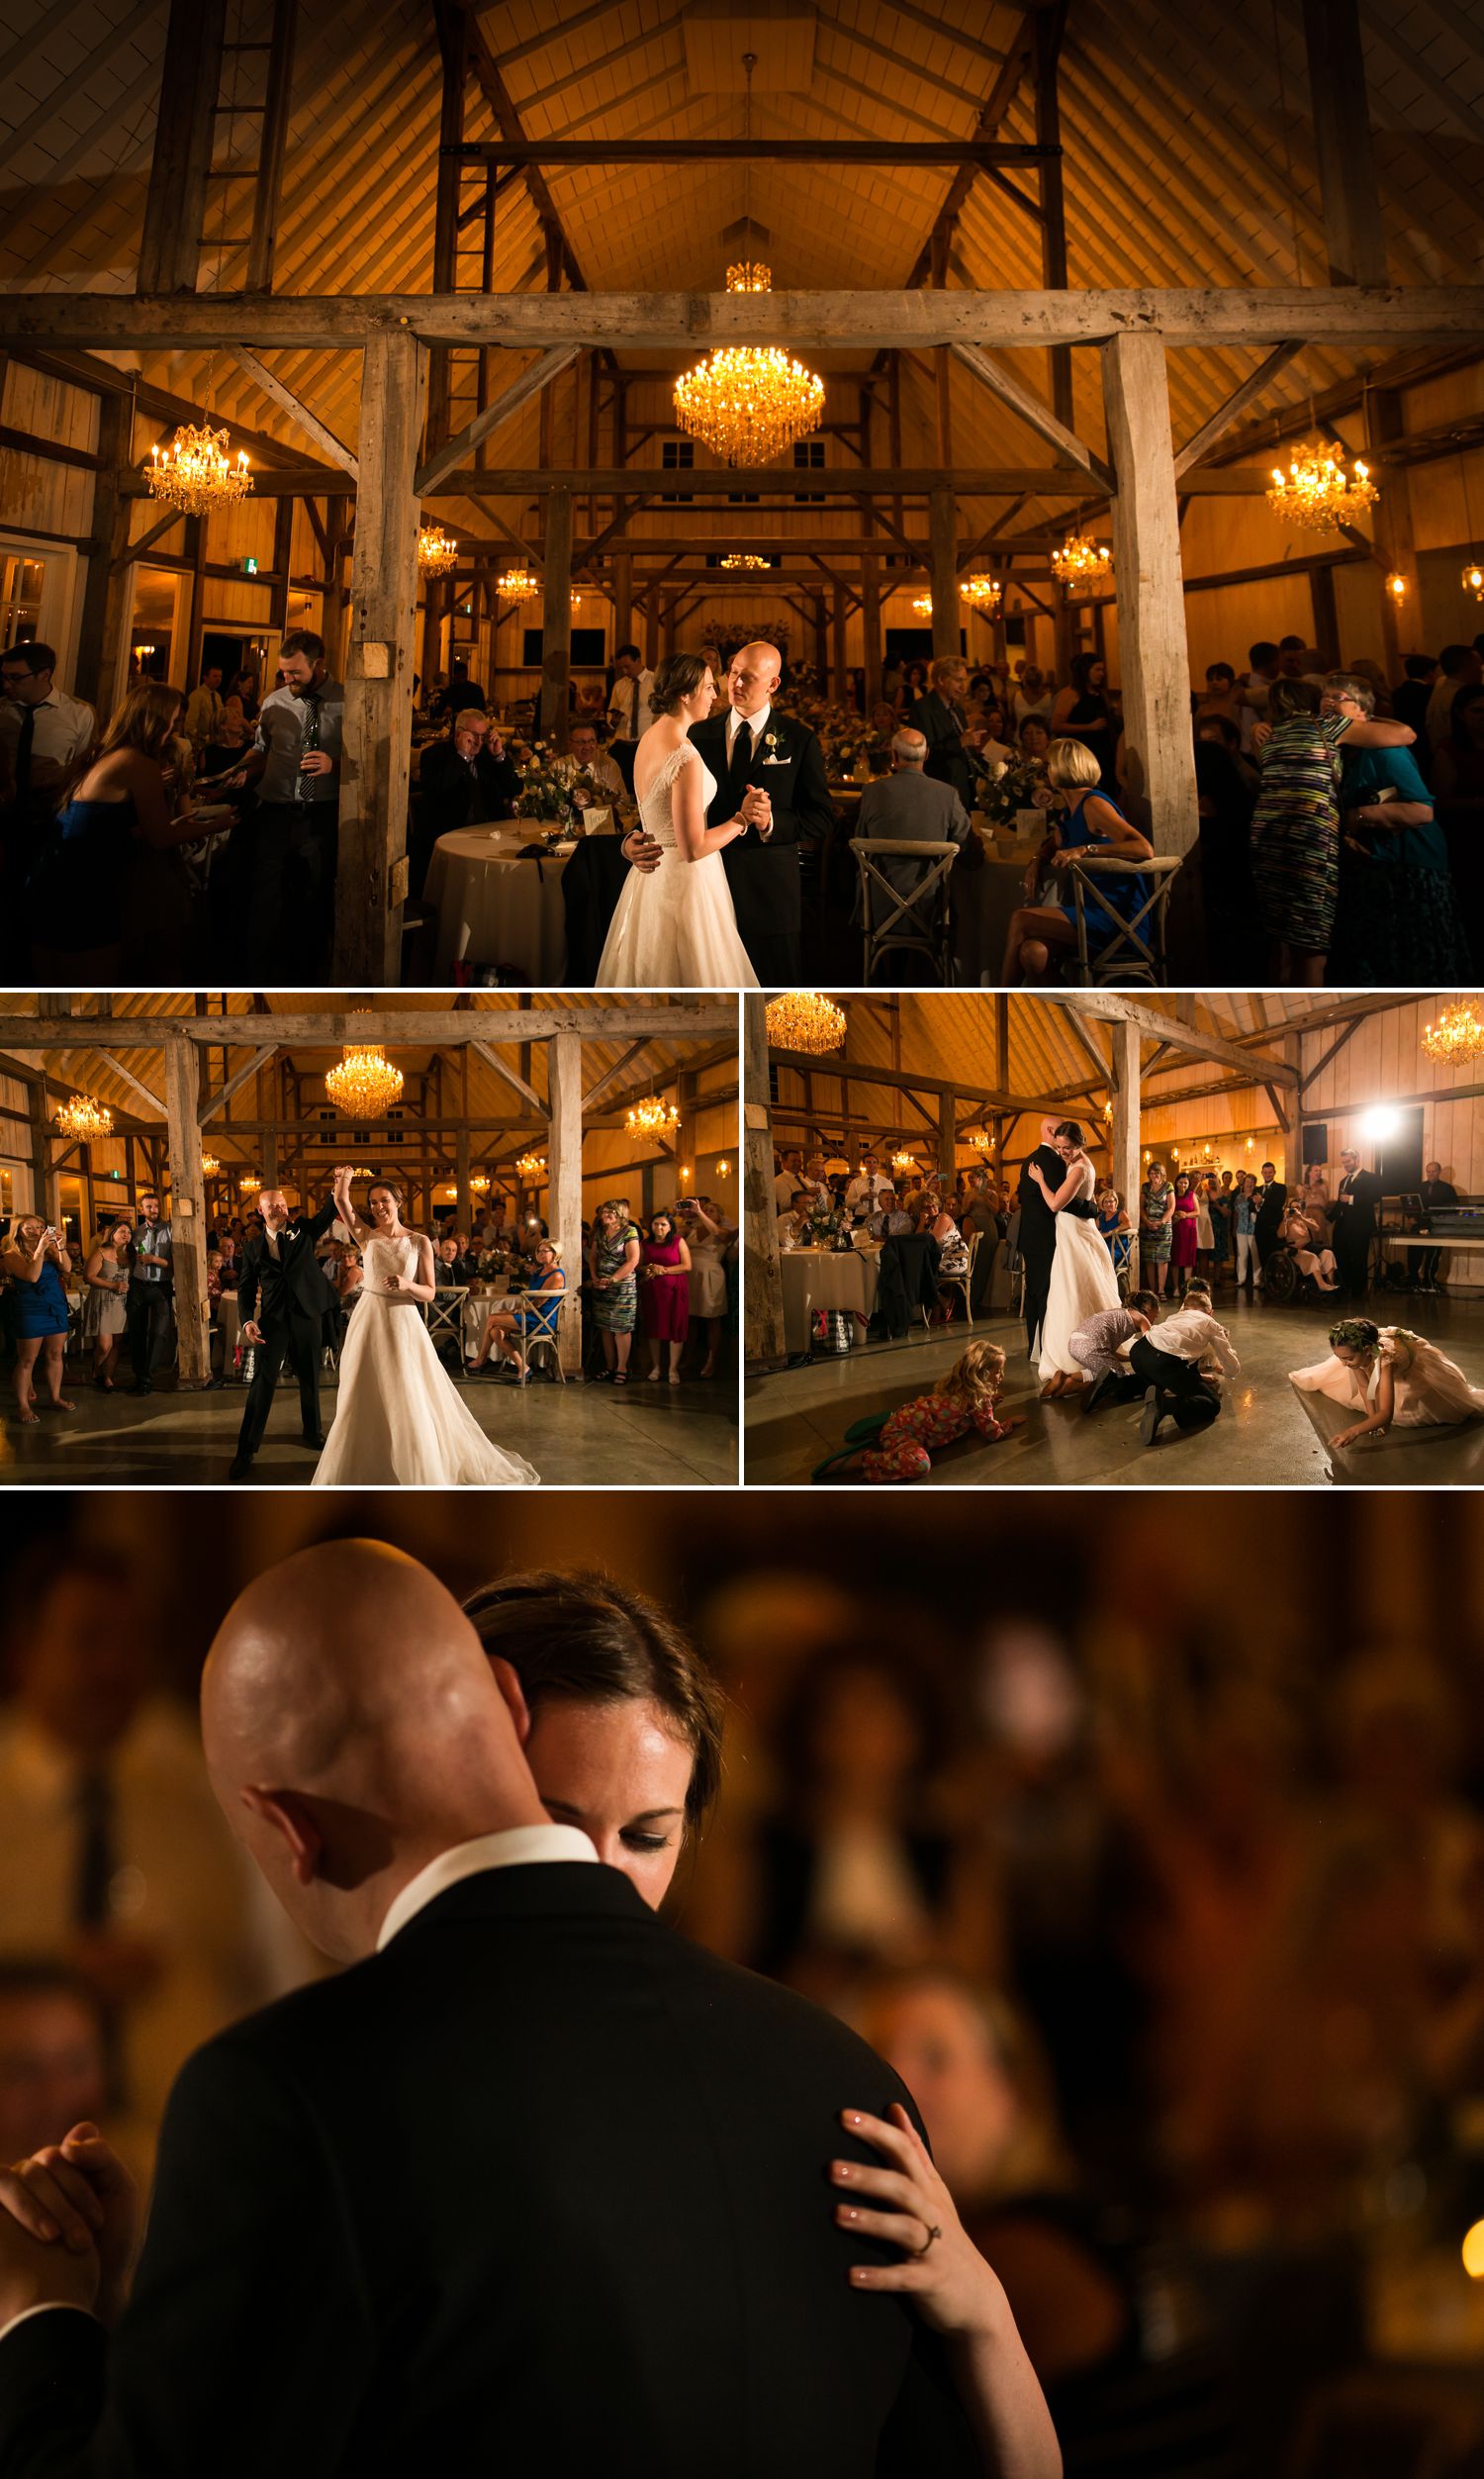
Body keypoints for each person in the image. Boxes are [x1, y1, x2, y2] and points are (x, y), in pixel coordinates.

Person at [0, 1541, 1035, 2476]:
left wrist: (39, 2314)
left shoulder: (291, 2094)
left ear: (287, 1829)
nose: (600, 1868)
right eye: (560, 1815)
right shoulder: (842, 2077)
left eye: (648, 1833)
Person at [624, 639, 834, 985]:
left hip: (766, 894)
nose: (734, 684)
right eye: (732, 673)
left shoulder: (798, 739)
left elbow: (821, 816)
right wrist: (632, 838)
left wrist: (770, 822)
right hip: (699, 894)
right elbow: (666, 800)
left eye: (747, 677)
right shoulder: (695, 732)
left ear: (772, 684)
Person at [308, 1175, 539, 1486]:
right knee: (361, 1389)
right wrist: (344, 1181)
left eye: (384, 1201)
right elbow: (342, 1203)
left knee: (405, 1389)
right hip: (369, 1319)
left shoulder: (418, 1242)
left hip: (402, 1320)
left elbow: (430, 1292)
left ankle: (414, 1462)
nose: (378, 1207)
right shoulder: (367, 1236)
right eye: (374, 1202)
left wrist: (406, 1284)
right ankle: (363, 1460)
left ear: (398, 1202)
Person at [26, 685, 212, 982]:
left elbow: (99, 826)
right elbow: (160, 837)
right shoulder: (136, 762)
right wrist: (222, 823)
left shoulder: (104, 752)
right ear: (156, 719)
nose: (176, 728)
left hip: (57, 876)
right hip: (82, 886)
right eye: (173, 719)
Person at [598, 651, 759, 988]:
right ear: (686, 694)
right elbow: (694, 847)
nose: (716, 696)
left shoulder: (649, 740)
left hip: (651, 876)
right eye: (710, 687)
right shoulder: (684, 756)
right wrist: (742, 819)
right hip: (685, 882)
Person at [1250, 679, 1415, 985]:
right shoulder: (1328, 727)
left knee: (1282, 936)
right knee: (1311, 943)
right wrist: (1366, 715)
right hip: (1309, 840)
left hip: (1267, 838)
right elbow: (1407, 734)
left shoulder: (1270, 737)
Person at [1319, 673, 1474, 981]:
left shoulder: (1383, 750)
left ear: (1363, 712)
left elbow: (1421, 810)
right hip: (1376, 870)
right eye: (1324, 698)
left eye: (1339, 698)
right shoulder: (1341, 751)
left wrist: (1355, 817)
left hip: (1410, 870)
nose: (1328, 702)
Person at [218, 629, 342, 976]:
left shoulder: (347, 701)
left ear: (318, 664)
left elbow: (371, 762)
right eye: (283, 672)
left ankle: (306, 972)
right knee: (264, 897)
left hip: (319, 815)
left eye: (295, 673)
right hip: (272, 811)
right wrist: (242, 770)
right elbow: (261, 750)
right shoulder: (274, 702)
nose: (287, 679)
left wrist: (336, 764)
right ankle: (259, 972)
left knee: (312, 899)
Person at [1000, 739, 1154, 985]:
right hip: (1087, 912)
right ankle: (1068, 1006)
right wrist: (1037, 860)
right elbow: (1055, 841)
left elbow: (1143, 848)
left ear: (1063, 767)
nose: (1045, 772)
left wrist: (1086, 849)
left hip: (1118, 917)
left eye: (1048, 765)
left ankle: (1000, 999)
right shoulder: (1069, 810)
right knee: (1032, 953)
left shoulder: (1094, 803)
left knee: (1020, 918)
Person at [229, 1184, 341, 1478]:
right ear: (260, 1212)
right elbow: (245, 1289)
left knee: (309, 1375)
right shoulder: (252, 1248)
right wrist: (247, 1321)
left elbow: (327, 1213)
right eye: (272, 1206)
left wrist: (339, 1186)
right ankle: (246, 1449)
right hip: (273, 1321)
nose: (279, 1209)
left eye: (282, 1204)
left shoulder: (303, 1231)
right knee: (262, 1382)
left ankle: (312, 1431)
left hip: (307, 1316)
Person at [1290, 1316, 1484, 1449]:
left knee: (1410, 1416)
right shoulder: (1356, 1359)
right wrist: (1371, 1421)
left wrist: (1353, 1431)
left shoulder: (1386, 1362)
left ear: (1367, 1350)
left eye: (1347, 1359)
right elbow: (1366, 1387)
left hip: (1406, 1370)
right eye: (1339, 1357)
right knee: (1364, 1401)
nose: (1342, 1364)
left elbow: (1386, 1414)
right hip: (1370, 1361)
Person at [1032, 1120, 1120, 1397]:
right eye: (1059, 1148)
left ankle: (1077, 1355)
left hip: (1075, 1238)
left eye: (1067, 1148)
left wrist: (1040, 1181)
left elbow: (1056, 1203)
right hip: (1073, 1234)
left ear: (1080, 1145)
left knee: (1073, 1291)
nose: (1063, 1153)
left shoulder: (1080, 1168)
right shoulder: (1080, 1163)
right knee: (1070, 1290)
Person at [854, 727, 972, 922]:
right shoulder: (947, 794)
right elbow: (965, 844)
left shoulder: (872, 792)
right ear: (926, 755)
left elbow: (860, 842)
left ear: (894, 755)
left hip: (879, 905)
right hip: (930, 906)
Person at [861, 1340, 1015, 1482]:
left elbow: (972, 1415)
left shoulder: (961, 1387)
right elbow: (993, 1433)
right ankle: (865, 1460)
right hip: (900, 1433)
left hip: (903, 1420)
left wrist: (989, 1405)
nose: (1002, 1375)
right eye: (997, 1371)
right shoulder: (977, 1399)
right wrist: (1009, 1423)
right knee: (920, 1465)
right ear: (983, 1374)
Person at [0, 642, 94, 835]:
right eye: (4, 676)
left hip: (50, 819)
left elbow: (83, 766)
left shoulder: (79, 713)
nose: (6, 684)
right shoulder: (2, 710)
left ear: (44, 675)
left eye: (15, 677)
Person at [1131, 1297, 1240, 1444]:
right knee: (1212, 1404)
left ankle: (1116, 1383)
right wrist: (1225, 1372)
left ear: (1185, 1308)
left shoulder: (1175, 1317)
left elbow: (1187, 1360)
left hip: (1138, 1352)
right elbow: (1232, 1367)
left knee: (1159, 1381)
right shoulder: (1211, 1324)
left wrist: (1198, 1378)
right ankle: (1164, 1405)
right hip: (1163, 1361)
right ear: (1210, 1312)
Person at [1, 1216, 73, 1427]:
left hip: (55, 1305)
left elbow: (67, 1268)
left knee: (55, 1354)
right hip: (31, 1309)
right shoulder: (11, 1255)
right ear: (18, 1231)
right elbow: (32, 1277)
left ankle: (55, 1396)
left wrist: (61, 1246)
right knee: (27, 1360)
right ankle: (23, 1405)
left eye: (40, 1227)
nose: (36, 1230)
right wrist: (40, 1249)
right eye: (29, 1228)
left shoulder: (51, 1251)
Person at [473, 1238, 566, 1382]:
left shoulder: (557, 1275)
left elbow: (537, 1303)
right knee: (495, 1331)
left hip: (541, 1319)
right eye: (539, 1251)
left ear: (555, 1253)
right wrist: (535, 1272)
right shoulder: (540, 1271)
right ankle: (524, 1368)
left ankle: (480, 1360)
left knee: (492, 1318)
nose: (540, 1254)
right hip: (531, 1314)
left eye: (544, 1251)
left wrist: (514, 1311)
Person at [417, 711, 517, 832]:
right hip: (451, 834)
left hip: (492, 832)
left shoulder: (487, 754)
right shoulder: (433, 755)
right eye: (474, 735)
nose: (479, 742)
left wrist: (499, 756)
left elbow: (514, 789)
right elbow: (438, 790)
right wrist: (463, 756)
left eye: (483, 736)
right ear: (459, 733)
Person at [1016, 1121, 1065, 1362]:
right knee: (1047, 1292)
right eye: (1060, 1131)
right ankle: (1046, 1348)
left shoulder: (1028, 1160)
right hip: (1047, 1236)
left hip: (1029, 1237)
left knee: (1034, 1292)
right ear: (1050, 1132)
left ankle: (1033, 1347)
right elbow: (1058, 1202)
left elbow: (1021, 1196)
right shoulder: (1054, 1161)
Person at [1072, 1292, 1160, 1413]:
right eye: (1154, 1316)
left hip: (1075, 1342)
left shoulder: (1122, 1314)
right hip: (1090, 1346)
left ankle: (1067, 1378)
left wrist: (1129, 1358)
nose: (1154, 1320)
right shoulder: (1142, 1318)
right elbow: (1149, 1346)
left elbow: (1109, 1354)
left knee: (1103, 1373)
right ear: (1146, 1309)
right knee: (1121, 1380)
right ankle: (1073, 1386)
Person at [124, 1190, 173, 1395]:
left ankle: (146, 1377)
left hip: (161, 1286)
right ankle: (140, 1377)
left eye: (156, 1206)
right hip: (138, 1285)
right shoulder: (135, 1233)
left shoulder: (171, 1230)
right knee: (137, 1333)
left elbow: (177, 1264)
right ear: (141, 1209)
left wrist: (154, 1259)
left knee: (158, 1333)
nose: (154, 1210)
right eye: (149, 1207)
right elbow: (128, 1258)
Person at [587, 1197, 641, 1383]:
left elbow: (633, 1260)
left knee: (621, 1328)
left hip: (622, 1287)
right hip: (601, 1285)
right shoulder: (600, 1232)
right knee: (605, 1328)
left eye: (610, 1212)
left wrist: (613, 1279)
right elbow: (593, 1256)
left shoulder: (629, 1231)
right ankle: (609, 1366)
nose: (605, 1215)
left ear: (620, 1214)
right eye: (604, 1212)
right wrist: (594, 1278)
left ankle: (622, 1368)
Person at [909, 657, 974, 806]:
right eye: (958, 680)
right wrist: (960, 742)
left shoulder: (958, 711)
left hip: (962, 790)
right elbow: (923, 753)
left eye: (964, 681)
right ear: (940, 679)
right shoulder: (922, 708)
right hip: (938, 791)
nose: (963, 687)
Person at [1050, 652, 1119, 789]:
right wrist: (1089, 727)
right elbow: (1056, 725)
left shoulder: (1100, 693)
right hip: (1082, 751)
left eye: (1103, 670)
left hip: (1103, 750)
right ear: (1085, 671)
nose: (1101, 674)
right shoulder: (1070, 694)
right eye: (1097, 670)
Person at [637, 1208, 691, 1383]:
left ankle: (673, 1369)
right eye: (655, 1224)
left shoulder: (677, 1241)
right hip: (652, 1290)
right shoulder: (645, 1243)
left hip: (675, 1289)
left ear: (670, 1227)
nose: (659, 1227)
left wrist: (664, 1270)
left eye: (663, 1224)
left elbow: (687, 1265)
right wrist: (650, 1267)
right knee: (654, 1328)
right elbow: (638, 1266)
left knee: (675, 1326)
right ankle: (656, 1367)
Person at [681, 1196, 730, 1379]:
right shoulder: (691, 1231)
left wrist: (699, 1211)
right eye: (705, 1209)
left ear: (719, 1217)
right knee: (691, 1318)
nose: (707, 1212)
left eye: (711, 1210)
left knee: (712, 1319)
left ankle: (712, 1360)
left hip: (710, 1277)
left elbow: (715, 1231)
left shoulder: (723, 1231)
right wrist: (678, 1215)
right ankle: (688, 1355)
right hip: (691, 1276)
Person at [81, 1221, 132, 1390]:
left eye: (129, 1232)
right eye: (122, 1231)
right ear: (112, 1234)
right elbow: (88, 1276)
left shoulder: (129, 1255)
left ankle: (109, 1377)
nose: (127, 1235)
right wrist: (112, 1286)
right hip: (103, 1300)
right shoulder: (101, 1252)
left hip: (121, 1303)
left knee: (117, 1344)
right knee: (104, 1345)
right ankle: (96, 1369)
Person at [1331, 1145, 1381, 1296]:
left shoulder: (1371, 1177)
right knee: (1341, 1256)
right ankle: (1346, 1286)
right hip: (1343, 1226)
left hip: (1360, 1226)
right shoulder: (1343, 1181)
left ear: (1357, 1159)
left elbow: (1375, 1198)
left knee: (1359, 1258)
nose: (1346, 1165)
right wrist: (1327, 1219)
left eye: (1348, 1162)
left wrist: (1351, 1199)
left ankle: (1359, 1291)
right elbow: (1340, 1203)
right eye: (1343, 1162)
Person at [1425, 642, 1481, 756]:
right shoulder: (1459, 696)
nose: (1481, 671)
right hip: (1461, 758)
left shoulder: (1440, 687)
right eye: (1478, 667)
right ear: (1467, 668)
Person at [1417, 1159, 1458, 1291]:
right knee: (1415, 1251)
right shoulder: (1419, 1187)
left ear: (1439, 1172)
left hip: (1437, 1225)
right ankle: (1414, 1279)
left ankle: (1429, 1280)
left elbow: (1454, 1208)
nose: (1430, 1174)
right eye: (1428, 1172)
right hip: (1420, 1224)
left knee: (1433, 1253)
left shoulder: (1447, 1188)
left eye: (1433, 1171)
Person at [604, 641, 655, 746]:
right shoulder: (619, 685)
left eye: (627, 667)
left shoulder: (656, 681)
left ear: (638, 661)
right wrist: (614, 721)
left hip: (647, 743)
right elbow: (610, 714)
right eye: (621, 668)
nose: (624, 671)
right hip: (622, 742)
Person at [1138, 1159, 1174, 1297]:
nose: (1154, 1175)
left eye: (1157, 1173)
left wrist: (1162, 1221)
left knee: (1162, 1258)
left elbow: (1172, 1207)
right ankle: (1152, 1291)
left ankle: (1161, 1290)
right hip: (1148, 1227)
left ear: (1162, 1174)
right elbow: (1141, 1207)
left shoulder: (1168, 1186)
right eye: (1152, 1173)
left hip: (1164, 1228)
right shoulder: (1145, 1187)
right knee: (1149, 1259)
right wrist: (1147, 1222)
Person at [567, 719, 626, 804]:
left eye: (591, 741)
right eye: (581, 742)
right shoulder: (558, 767)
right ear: (570, 743)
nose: (587, 747)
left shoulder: (609, 766)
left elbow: (621, 802)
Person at [1252, 1161, 1288, 1286]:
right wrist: (1256, 1205)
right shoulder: (1257, 1189)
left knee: (1274, 1255)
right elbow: (1251, 1207)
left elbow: (1277, 1204)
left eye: (1270, 1172)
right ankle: (1267, 1281)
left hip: (1274, 1228)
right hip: (1260, 1228)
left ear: (1274, 1173)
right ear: (1262, 1173)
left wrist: (1262, 1201)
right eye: (1265, 1172)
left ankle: (1277, 1281)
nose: (1267, 1174)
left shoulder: (1281, 1188)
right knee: (1262, 1255)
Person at [182, 668, 226, 753]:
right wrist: (196, 743)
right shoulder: (196, 696)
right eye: (215, 676)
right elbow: (190, 723)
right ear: (205, 678)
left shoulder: (217, 696)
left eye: (220, 676)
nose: (218, 679)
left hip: (216, 742)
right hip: (202, 743)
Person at [1169, 1172, 1198, 1296]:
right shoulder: (1172, 1195)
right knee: (1175, 1259)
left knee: (1188, 1260)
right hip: (1176, 1231)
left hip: (1189, 1231)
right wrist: (1176, 1216)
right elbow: (1169, 1211)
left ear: (1189, 1184)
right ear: (1176, 1183)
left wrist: (1185, 1215)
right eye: (1181, 1182)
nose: (1183, 1185)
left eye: (1186, 1183)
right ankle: (1175, 1288)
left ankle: (1187, 1288)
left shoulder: (1192, 1195)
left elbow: (1197, 1212)